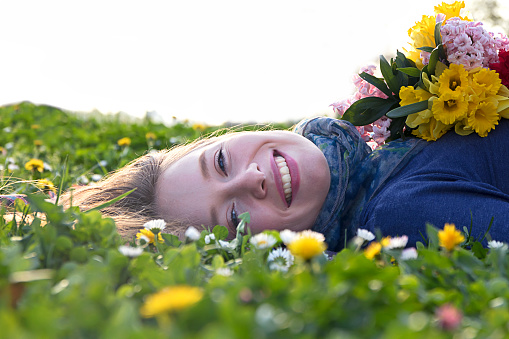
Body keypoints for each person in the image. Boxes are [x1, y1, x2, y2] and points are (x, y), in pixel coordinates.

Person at [61, 116, 509, 251]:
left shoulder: (385, 136)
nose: (252, 179)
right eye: (234, 218)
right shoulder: (398, 215)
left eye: (220, 162)